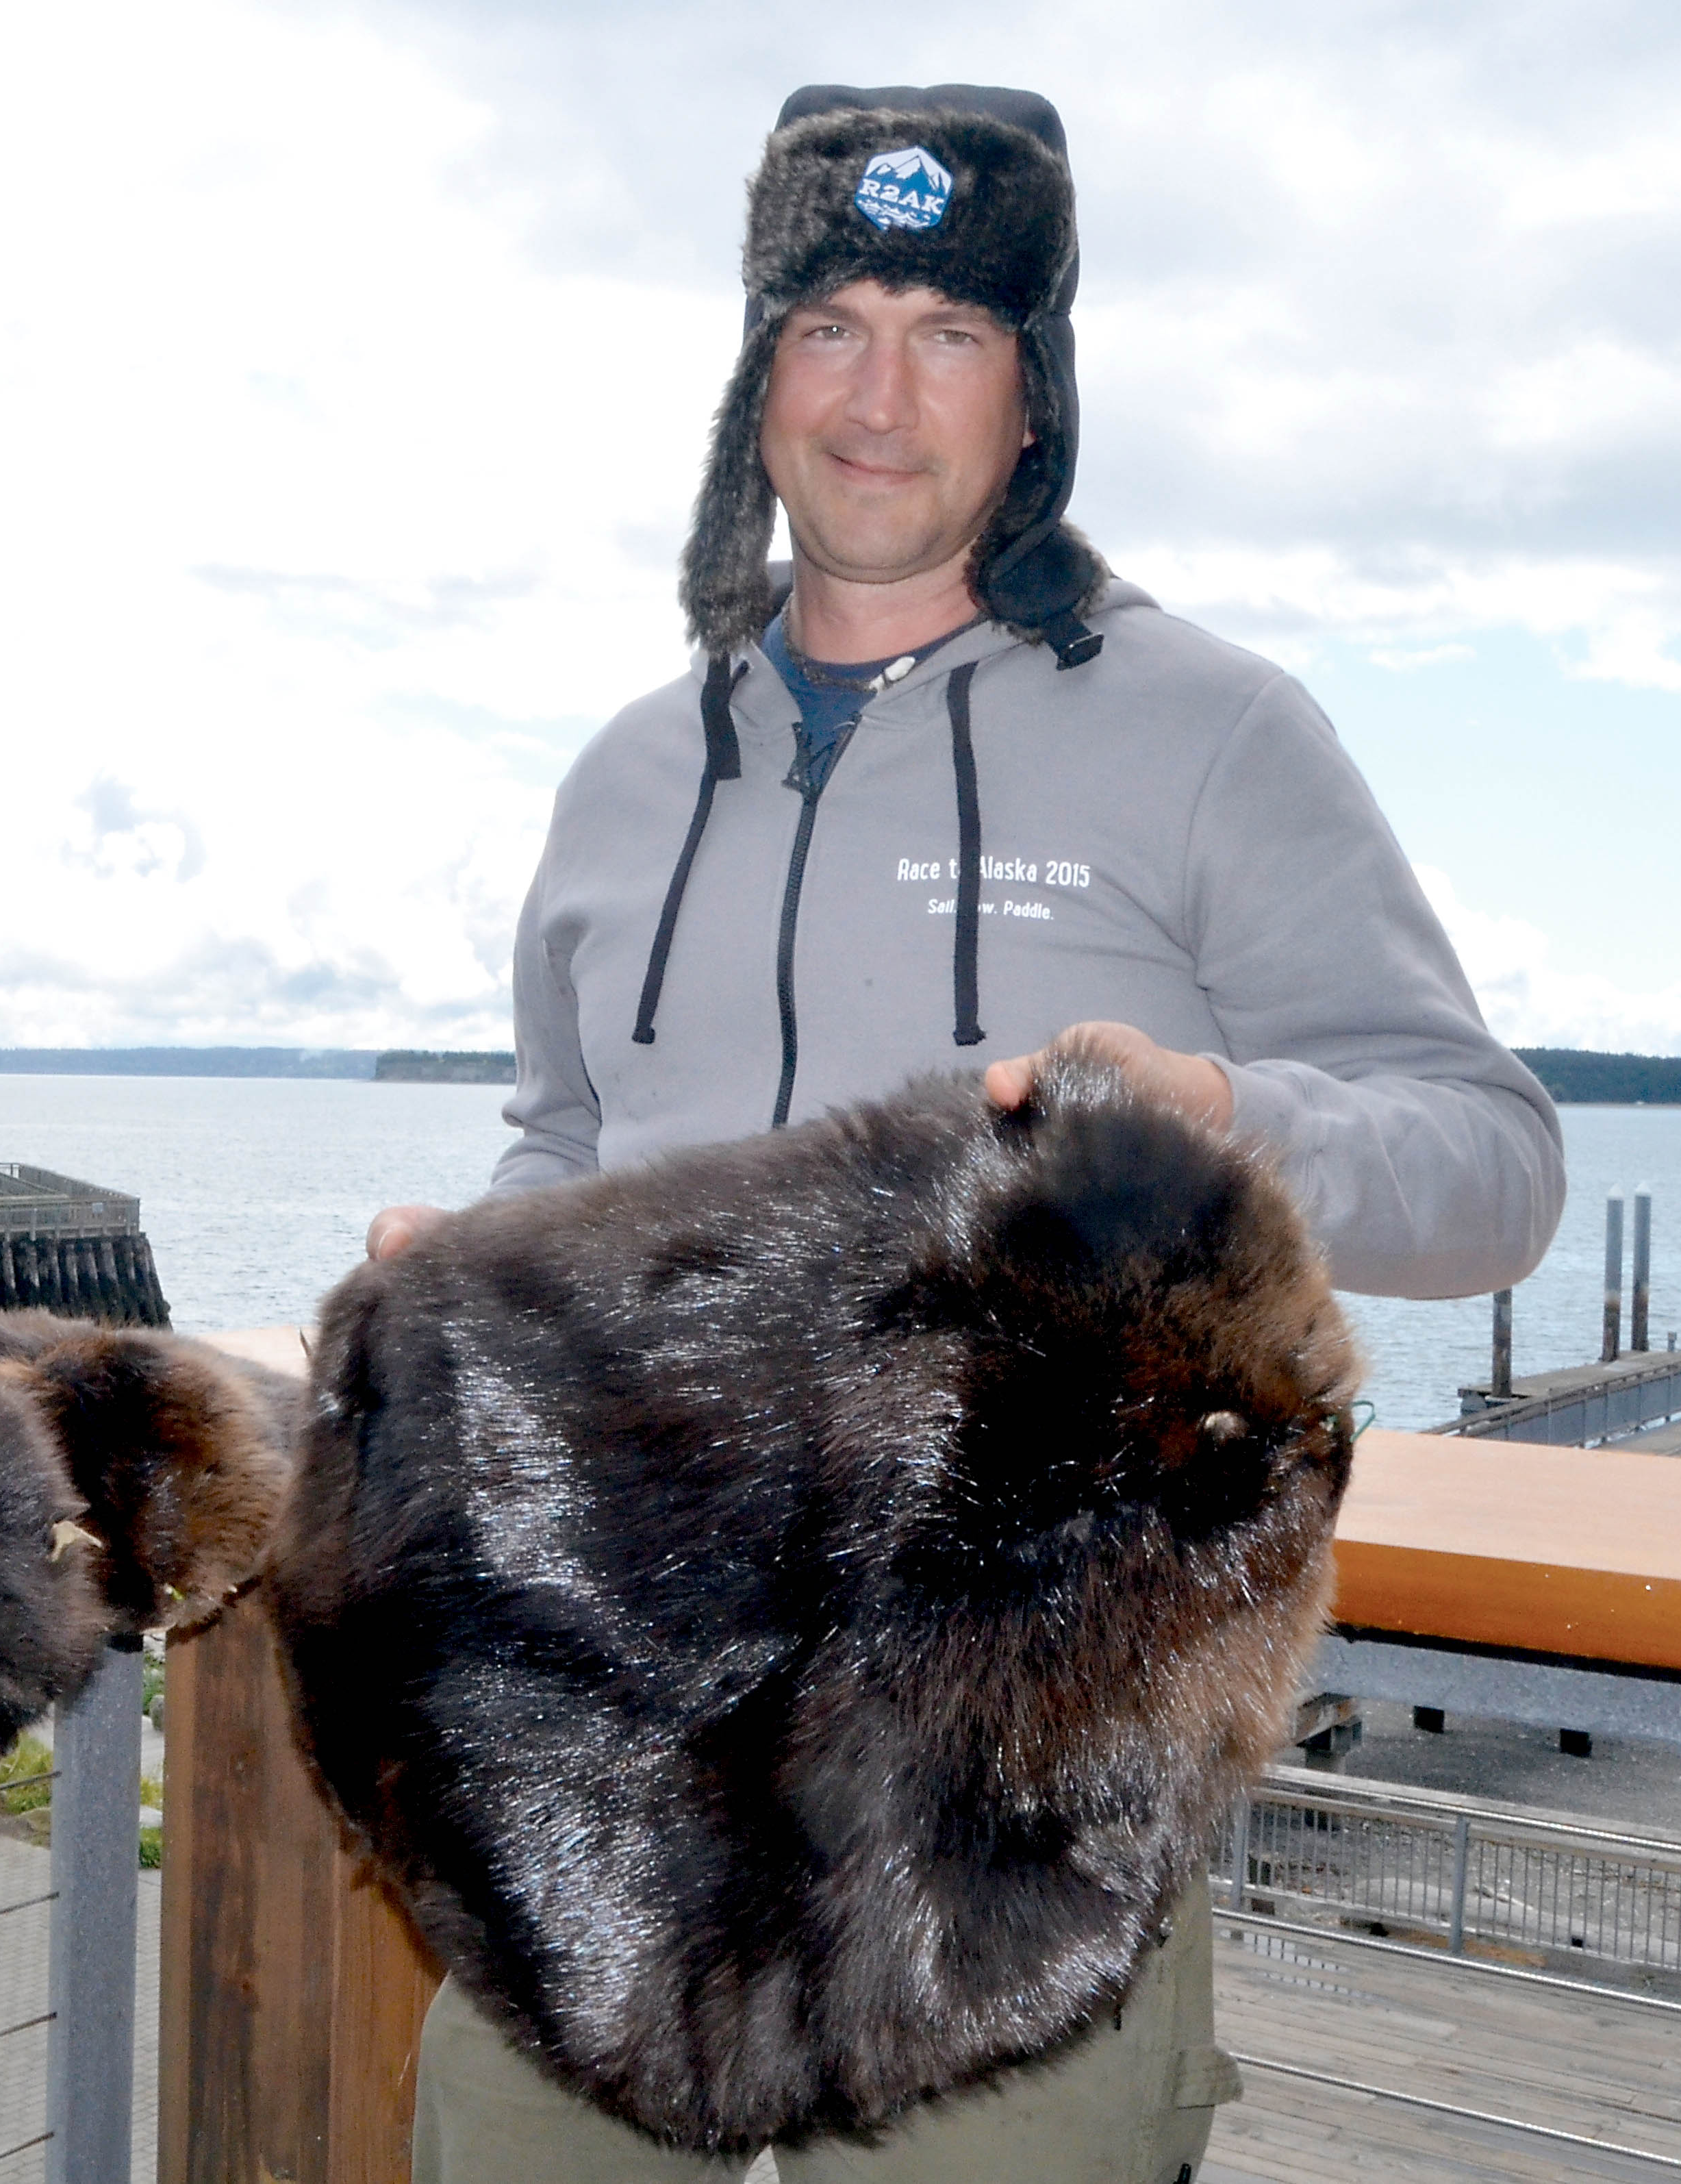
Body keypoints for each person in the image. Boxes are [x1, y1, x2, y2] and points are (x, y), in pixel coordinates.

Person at [368, 84, 1565, 2184]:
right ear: (756, 385)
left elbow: (1491, 1168)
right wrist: (468, 1280)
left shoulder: (1214, 731)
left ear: (1035, 400)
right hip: (627, 1755)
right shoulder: (630, 776)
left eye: (949, 330)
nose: (879, 395)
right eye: (830, 324)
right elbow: (568, 1142)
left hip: (1021, 1791)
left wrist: (1228, 1127)